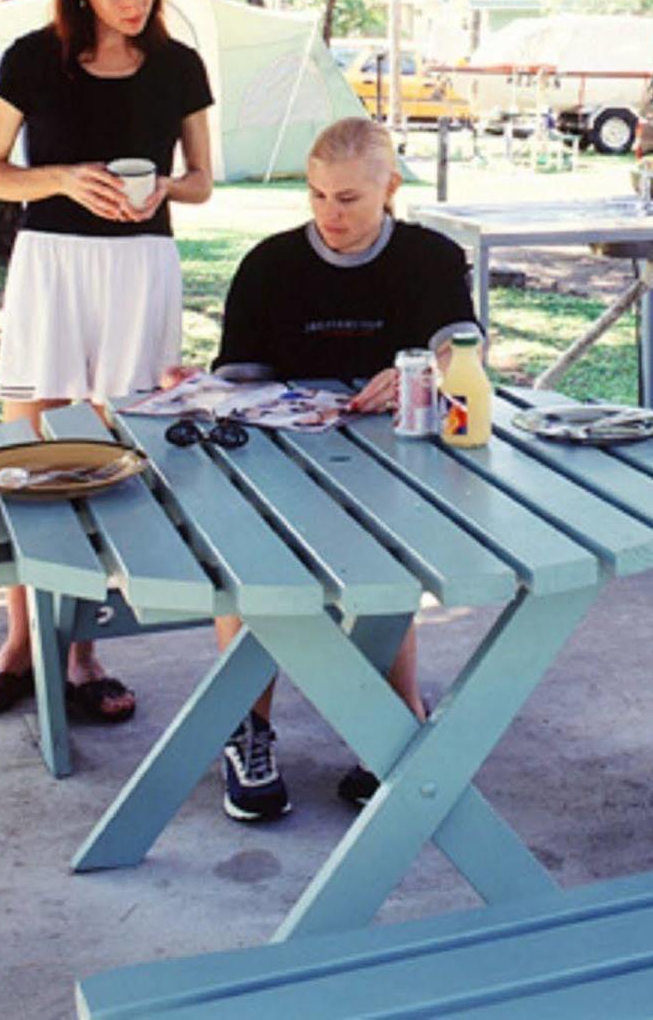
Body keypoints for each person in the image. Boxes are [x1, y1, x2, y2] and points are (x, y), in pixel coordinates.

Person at [0, 0, 213, 724]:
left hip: (141, 266)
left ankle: (82, 651)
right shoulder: (33, 60)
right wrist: (66, 179)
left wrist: (162, 190)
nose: (135, 0)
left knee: (115, 452)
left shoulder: (178, 66)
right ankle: (16, 644)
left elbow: (203, 180)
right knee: (27, 450)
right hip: (52, 264)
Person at [206, 116, 480, 821]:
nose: (330, 215)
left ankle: (391, 723)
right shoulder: (268, 264)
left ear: (389, 189)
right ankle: (248, 727)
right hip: (283, 456)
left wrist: (421, 369)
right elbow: (239, 381)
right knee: (249, 557)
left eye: (350, 199)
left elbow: (463, 349)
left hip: (398, 456)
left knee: (391, 558)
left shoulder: (431, 257)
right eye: (317, 195)